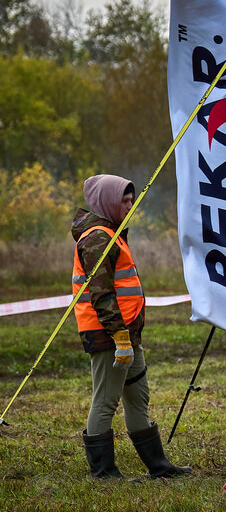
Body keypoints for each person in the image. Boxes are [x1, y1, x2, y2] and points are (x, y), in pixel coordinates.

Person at [73, 174, 191, 480]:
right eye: (124, 200)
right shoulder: (97, 237)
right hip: (108, 335)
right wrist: (120, 337)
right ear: (108, 201)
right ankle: (104, 473)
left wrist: (129, 336)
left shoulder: (113, 233)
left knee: (138, 397)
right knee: (106, 400)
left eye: (131, 199)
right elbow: (102, 294)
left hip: (126, 334)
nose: (130, 205)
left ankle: (159, 467)